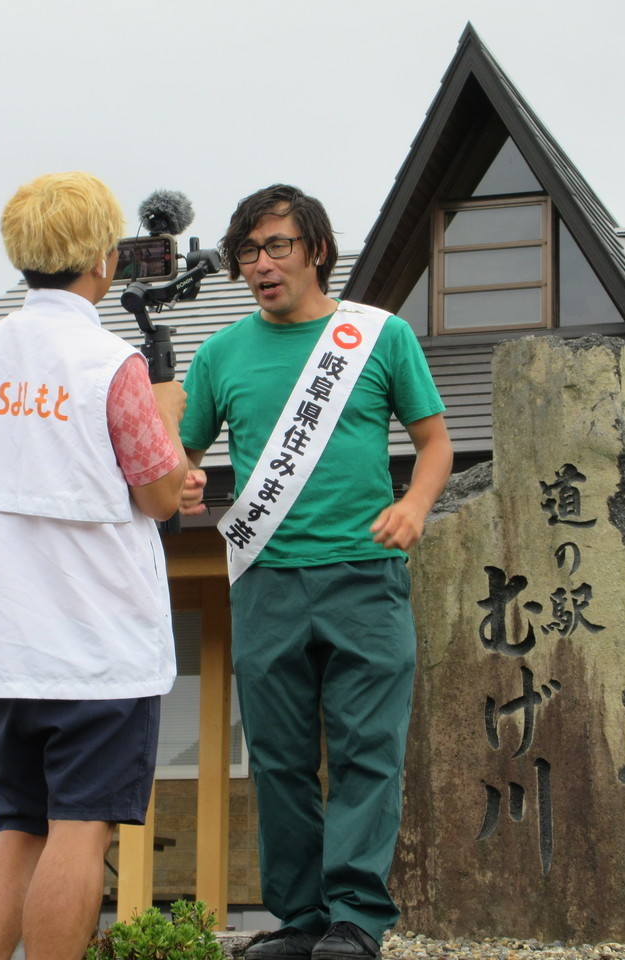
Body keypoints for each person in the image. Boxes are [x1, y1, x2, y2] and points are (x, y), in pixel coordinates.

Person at [179, 184, 452, 960]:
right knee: (277, 756)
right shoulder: (221, 354)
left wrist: (416, 505)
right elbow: (181, 457)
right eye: (248, 252)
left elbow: (436, 444)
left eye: (277, 247)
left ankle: (356, 921)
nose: (261, 265)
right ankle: (299, 921)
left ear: (317, 250)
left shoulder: (378, 337)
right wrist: (186, 480)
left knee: (370, 749)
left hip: (366, 573)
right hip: (265, 578)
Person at [0, 171, 189, 960]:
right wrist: (174, 443)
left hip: (12, 637)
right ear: (101, 258)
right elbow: (158, 495)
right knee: (81, 830)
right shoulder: (109, 363)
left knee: (16, 826)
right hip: (98, 640)